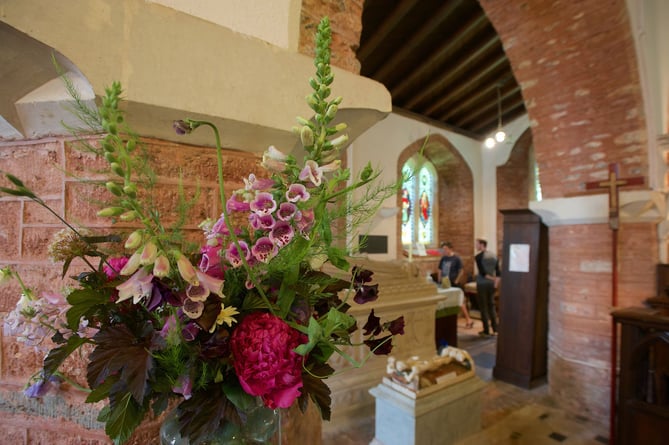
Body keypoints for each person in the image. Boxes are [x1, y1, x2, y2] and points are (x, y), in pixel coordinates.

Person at [438, 241, 473, 329]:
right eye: (443, 249)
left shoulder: (456, 258)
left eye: (445, 249)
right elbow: (440, 269)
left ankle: (468, 319)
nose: (444, 251)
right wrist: (439, 279)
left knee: (460, 302)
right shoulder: (443, 258)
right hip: (445, 283)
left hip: (453, 282)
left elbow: (461, 271)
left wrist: (457, 280)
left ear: (450, 249)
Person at [474, 238, 500, 337]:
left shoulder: (478, 257)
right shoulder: (494, 256)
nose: (476, 246)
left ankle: (486, 330)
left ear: (482, 245)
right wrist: (496, 282)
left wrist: (492, 279)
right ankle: (495, 329)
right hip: (491, 285)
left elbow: (482, 273)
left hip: (482, 284)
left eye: (477, 244)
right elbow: (498, 271)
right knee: (492, 306)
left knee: (483, 307)